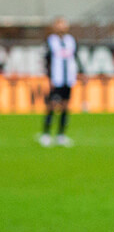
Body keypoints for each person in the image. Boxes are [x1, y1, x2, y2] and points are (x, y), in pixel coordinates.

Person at [38, 17, 79, 148]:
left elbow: (75, 58)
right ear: (54, 26)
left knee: (65, 106)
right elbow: (46, 60)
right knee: (52, 105)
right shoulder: (50, 41)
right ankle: (46, 134)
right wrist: (49, 78)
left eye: (63, 24)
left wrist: (79, 73)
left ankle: (61, 135)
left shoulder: (71, 41)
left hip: (68, 78)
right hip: (56, 79)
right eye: (59, 24)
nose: (62, 26)